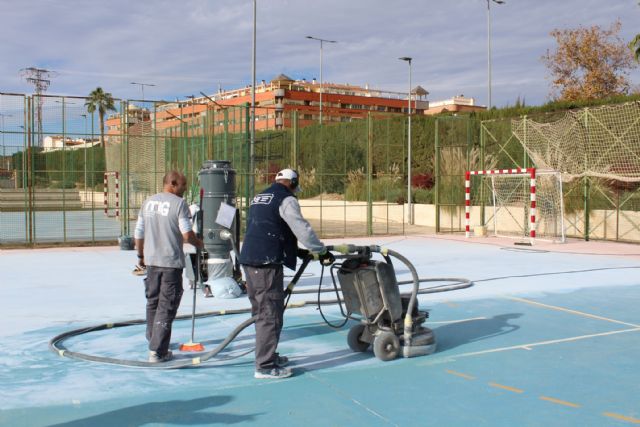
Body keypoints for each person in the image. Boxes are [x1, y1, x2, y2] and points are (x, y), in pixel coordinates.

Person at [239, 168, 335, 379]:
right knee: (270, 314)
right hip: (266, 264)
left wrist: (296, 252)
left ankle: (268, 355)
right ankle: (265, 365)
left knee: (261, 312)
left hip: (250, 259)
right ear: (292, 183)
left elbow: (268, 227)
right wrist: (320, 250)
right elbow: (300, 228)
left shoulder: (260, 196)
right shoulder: (286, 199)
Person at [134, 171, 204, 363]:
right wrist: (200, 244)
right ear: (172, 184)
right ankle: (158, 351)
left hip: (151, 261)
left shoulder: (148, 202)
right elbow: (187, 235)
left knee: (153, 302)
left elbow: (138, 232)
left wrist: (141, 256)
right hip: (170, 262)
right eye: (183, 185)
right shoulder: (179, 204)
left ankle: (153, 339)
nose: (185, 189)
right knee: (167, 305)